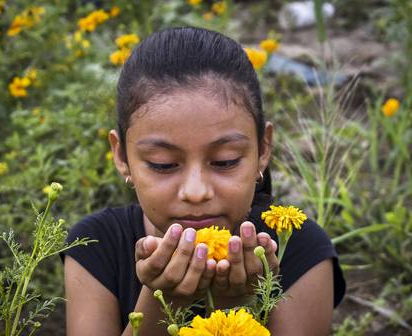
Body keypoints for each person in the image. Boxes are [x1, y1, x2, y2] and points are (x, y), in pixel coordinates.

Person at [63, 27, 345, 336]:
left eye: (225, 161)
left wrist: (235, 310)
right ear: (122, 157)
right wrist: (165, 300)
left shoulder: (298, 248)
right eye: (164, 164)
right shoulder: (95, 246)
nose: (196, 192)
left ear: (263, 149)